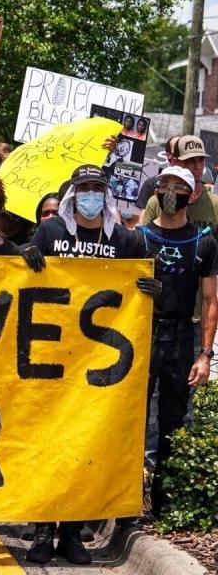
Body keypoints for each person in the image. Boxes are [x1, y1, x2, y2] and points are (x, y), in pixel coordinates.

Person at [26, 164, 149, 565]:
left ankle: (72, 534)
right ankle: (43, 532)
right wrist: (21, 258)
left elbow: (138, 287)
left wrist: (152, 289)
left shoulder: (126, 241)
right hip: (51, 357)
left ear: (108, 195)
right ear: (72, 195)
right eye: (84, 188)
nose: (91, 195)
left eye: (98, 188)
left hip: (98, 365)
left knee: (84, 446)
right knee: (50, 445)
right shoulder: (50, 233)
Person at [136, 166, 217, 517]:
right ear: (155, 190)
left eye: (179, 186)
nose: (171, 191)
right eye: (165, 184)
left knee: (173, 419)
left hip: (181, 334)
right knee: (132, 417)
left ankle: (163, 502)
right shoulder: (137, 238)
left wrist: (204, 354)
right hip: (140, 335)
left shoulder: (203, 241)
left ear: (193, 194)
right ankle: (122, 502)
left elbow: (212, 299)